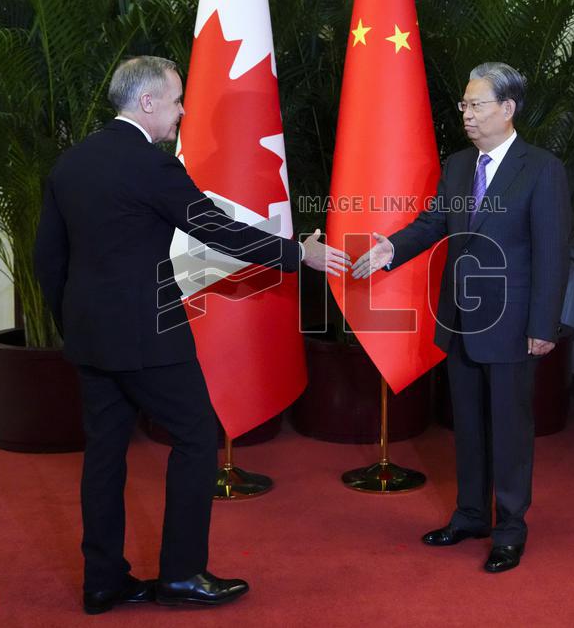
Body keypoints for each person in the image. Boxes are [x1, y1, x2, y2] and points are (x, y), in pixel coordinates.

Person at [34, 56, 349, 613]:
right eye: (176, 100)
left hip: (90, 337)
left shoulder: (71, 163)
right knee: (198, 438)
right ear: (147, 102)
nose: (181, 111)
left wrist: (75, 326)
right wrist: (299, 254)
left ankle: (102, 583)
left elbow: (48, 260)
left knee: (104, 455)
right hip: (150, 336)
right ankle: (181, 575)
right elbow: (216, 230)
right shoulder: (151, 167)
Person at [352, 62, 570, 573]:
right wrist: (391, 249)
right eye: (464, 105)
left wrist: (543, 325)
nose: (467, 114)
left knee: (509, 430)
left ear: (507, 109)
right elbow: (434, 222)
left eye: (476, 105)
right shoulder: (457, 165)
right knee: (468, 427)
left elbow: (552, 252)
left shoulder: (541, 169)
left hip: (514, 326)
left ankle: (510, 529)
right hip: (460, 320)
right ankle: (471, 515)